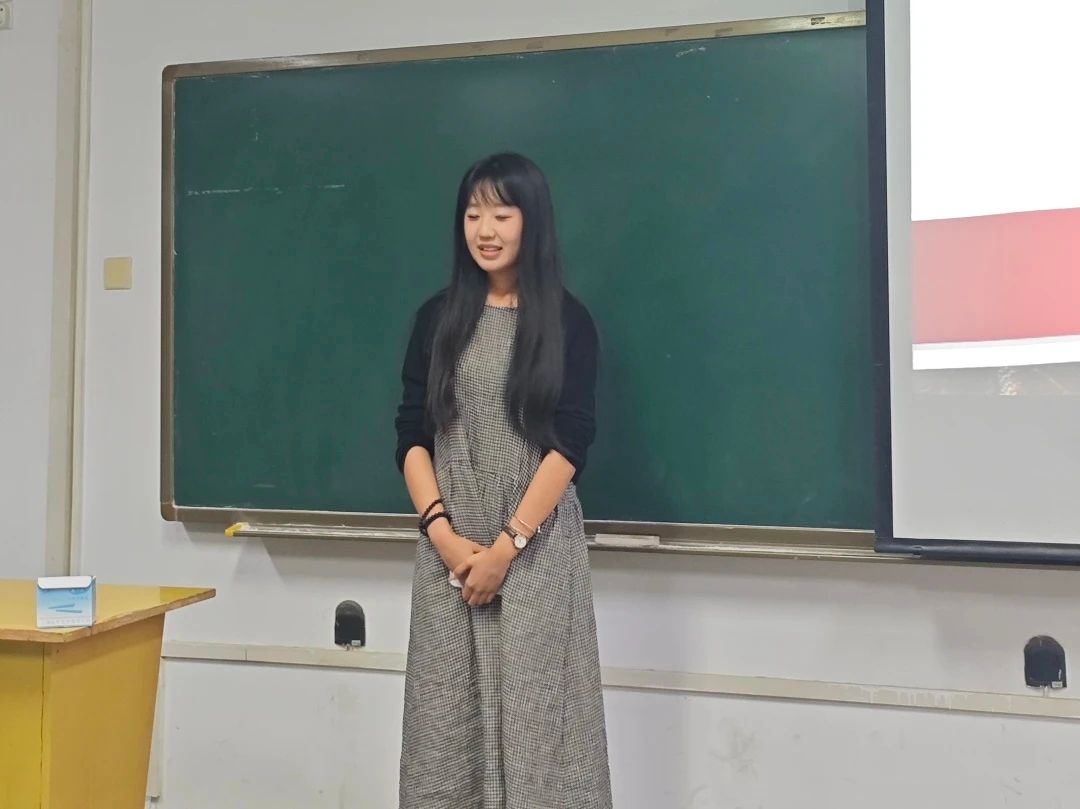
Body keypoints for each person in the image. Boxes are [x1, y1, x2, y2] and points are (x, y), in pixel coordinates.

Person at [394, 152, 612, 809]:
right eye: (472, 214)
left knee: (543, 729)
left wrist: (507, 545)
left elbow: (570, 441)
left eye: (501, 214)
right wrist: (443, 535)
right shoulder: (437, 318)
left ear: (531, 221)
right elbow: (412, 432)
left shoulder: (568, 321)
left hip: (537, 550)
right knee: (443, 728)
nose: (484, 230)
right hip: (450, 550)